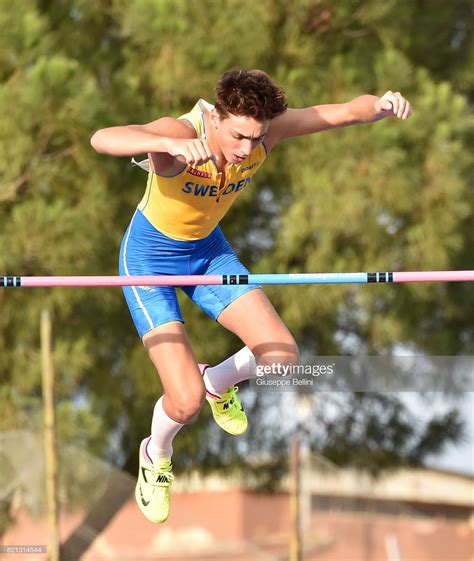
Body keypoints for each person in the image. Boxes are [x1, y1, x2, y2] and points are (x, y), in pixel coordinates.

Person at [90, 68, 412, 523]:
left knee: (282, 358)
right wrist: (168, 145)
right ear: (217, 119)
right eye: (239, 136)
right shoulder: (181, 133)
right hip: (149, 261)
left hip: (207, 252)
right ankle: (155, 453)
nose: (247, 149)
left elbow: (339, 113)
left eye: (256, 138)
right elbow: (102, 138)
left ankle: (218, 382)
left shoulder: (265, 135)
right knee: (183, 403)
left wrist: (379, 105)